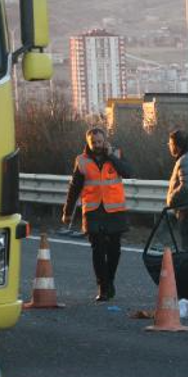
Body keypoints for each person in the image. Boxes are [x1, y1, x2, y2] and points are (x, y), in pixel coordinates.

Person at [62, 127, 133, 302]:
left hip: (115, 211)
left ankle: (110, 281)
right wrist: (68, 212)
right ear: (88, 143)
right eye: (93, 143)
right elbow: (74, 188)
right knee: (98, 250)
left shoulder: (116, 154)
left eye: (99, 142)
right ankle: (102, 286)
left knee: (114, 250)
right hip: (93, 211)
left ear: (105, 140)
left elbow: (128, 172)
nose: (96, 145)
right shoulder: (82, 161)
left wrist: (112, 157)